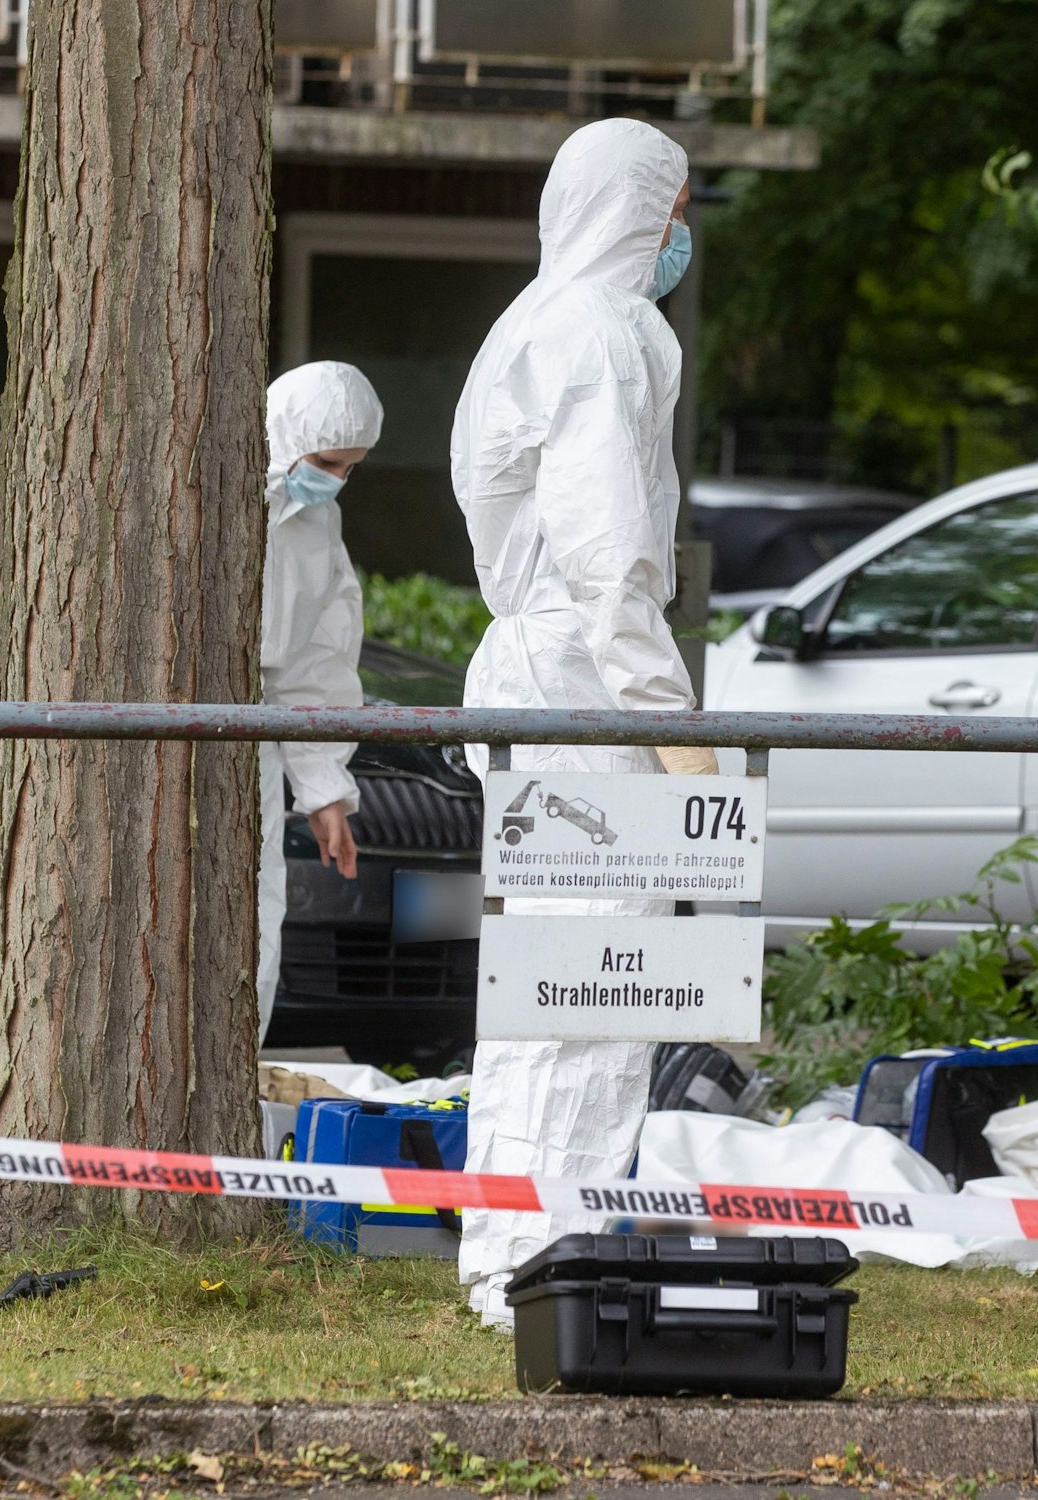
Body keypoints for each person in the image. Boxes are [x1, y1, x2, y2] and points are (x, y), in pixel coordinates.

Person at [450, 117, 715, 1325]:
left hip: (535, 677)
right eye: (673, 210)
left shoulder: (527, 320)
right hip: (587, 694)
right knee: (598, 992)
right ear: (638, 208)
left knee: (537, 997)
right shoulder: (610, 335)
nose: (679, 238)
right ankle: (551, 1262)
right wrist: (678, 730)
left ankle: (507, 1253)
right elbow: (613, 564)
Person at [257, 361, 384, 1043]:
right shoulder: (213, 497)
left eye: (352, 467)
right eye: (329, 461)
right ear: (284, 438)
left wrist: (325, 788)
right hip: (162, 736)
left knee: (250, 921)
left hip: (249, 745)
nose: (338, 479)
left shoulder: (317, 524)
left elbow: (314, 664)